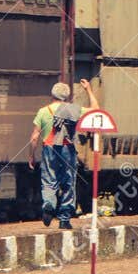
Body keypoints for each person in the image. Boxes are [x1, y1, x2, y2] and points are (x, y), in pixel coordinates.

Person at [29, 78, 99, 229]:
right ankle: (64, 219)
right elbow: (96, 110)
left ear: (52, 95)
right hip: (68, 149)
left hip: (49, 148)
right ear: (66, 96)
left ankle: (48, 204)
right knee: (68, 182)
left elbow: (34, 137)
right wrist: (88, 90)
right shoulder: (74, 110)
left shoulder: (43, 111)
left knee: (49, 180)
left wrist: (32, 155)